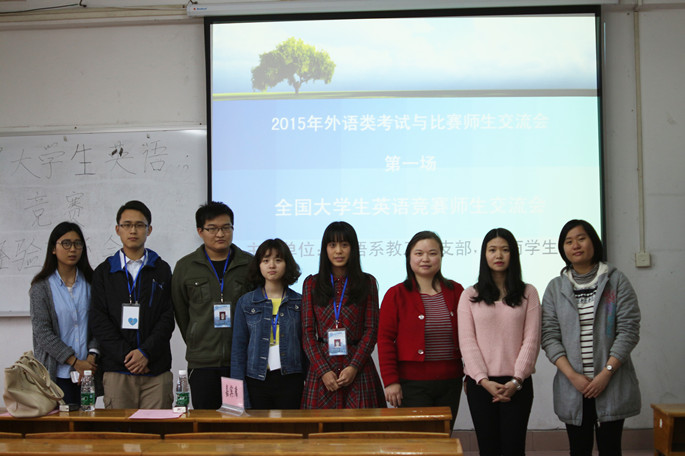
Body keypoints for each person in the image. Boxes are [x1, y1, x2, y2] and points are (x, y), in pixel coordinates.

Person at [541, 220, 641, 456]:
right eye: (568, 241)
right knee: (578, 449)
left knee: (610, 449)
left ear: (593, 242)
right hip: (573, 385)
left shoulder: (616, 281)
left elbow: (628, 330)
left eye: (581, 238)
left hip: (610, 381)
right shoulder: (555, 288)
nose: (575, 245)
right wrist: (573, 376)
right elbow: (549, 336)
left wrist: (606, 373)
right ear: (562, 249)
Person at [458, 228, 541, 456]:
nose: (499, 255)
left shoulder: (528, 292)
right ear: (484, 254)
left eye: (505, 250)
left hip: (517, 384)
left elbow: (531, 340)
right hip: (480, 385)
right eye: (492, 250)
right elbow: (467, 342)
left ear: (513, 254)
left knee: (514, 449)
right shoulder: (469, 295)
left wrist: (516, 380)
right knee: (488, 449)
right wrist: (483, 380)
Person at [89, 200, 174, 409]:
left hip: (155, 371)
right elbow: (99, 320)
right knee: (120, 429)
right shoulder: (104, 272)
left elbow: (167, 317)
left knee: (159, 428)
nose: (133, 230)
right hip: (118, 371)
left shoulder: (161, 269)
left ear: (149, 230)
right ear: (117, 229)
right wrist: (128, 357)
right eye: (127, 225)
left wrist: (145, 353)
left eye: (139, 225)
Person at [378, 230, 464, 426]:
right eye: (419, 253)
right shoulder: (395, 294)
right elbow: (384, 340)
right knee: (419, 437)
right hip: (411, 384)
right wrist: (391, 381)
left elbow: (470, 337)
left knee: (444, 436)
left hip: (450, 381)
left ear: (441, 256)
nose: (425, 259)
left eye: (432, 253)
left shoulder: (456, 291)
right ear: (409, 257)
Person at [171, 201, 253, 409]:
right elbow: (181, 312)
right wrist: (196, 338)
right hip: (202, 363)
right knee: (206, 419)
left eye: (226, 227)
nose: (220, 234)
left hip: (238, 361)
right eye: (212, 228)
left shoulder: (249, 264)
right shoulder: (186, 267)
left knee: (236, 417)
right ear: (200, 231)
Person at [301, 221, 385, 409]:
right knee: (320, 426)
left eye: (344, 245)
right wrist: (323, 371)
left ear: (353, 248)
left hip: (358, 369)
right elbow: (307, 333)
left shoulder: (367, 282)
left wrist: (354, 366)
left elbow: (371, 330)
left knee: (362, 425)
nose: (338, 251)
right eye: (332, 245)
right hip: (323, 370)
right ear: (325, 249)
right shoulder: (312, 284)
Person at [29, 222, 99, 404]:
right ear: (53, 248)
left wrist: (91, 358)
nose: (72, 249)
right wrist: (75, 362)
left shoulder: (92, 282)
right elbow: (42, 332)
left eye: (77, 244)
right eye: (66, 243)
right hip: (56, 374)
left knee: (89, 420)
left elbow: (99, 323)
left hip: (88, 372)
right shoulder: (41, 287)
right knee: (60, 422)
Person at [230, 238, 305, 409]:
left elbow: (306, 346)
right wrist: (238, 395)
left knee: (290, 425)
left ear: (287, 264)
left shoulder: (299, 302)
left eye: (278, 260)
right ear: (258, 265)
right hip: (256, 379)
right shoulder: (246, 302)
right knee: (259, 425)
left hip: (291, 379)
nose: (272, 265)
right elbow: (238, 350)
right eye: (265, 260)